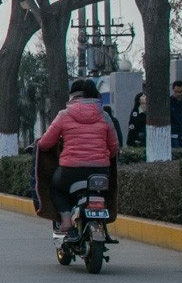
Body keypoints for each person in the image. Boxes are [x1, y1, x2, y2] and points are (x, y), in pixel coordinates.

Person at [36, 78, 120, 235]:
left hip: (70, 172)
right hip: (100, 172)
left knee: (56, 189)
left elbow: (46, 143)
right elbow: (114, 147)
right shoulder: (105, 116)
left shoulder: (64, 115)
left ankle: (66, 218)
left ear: (72, 97)